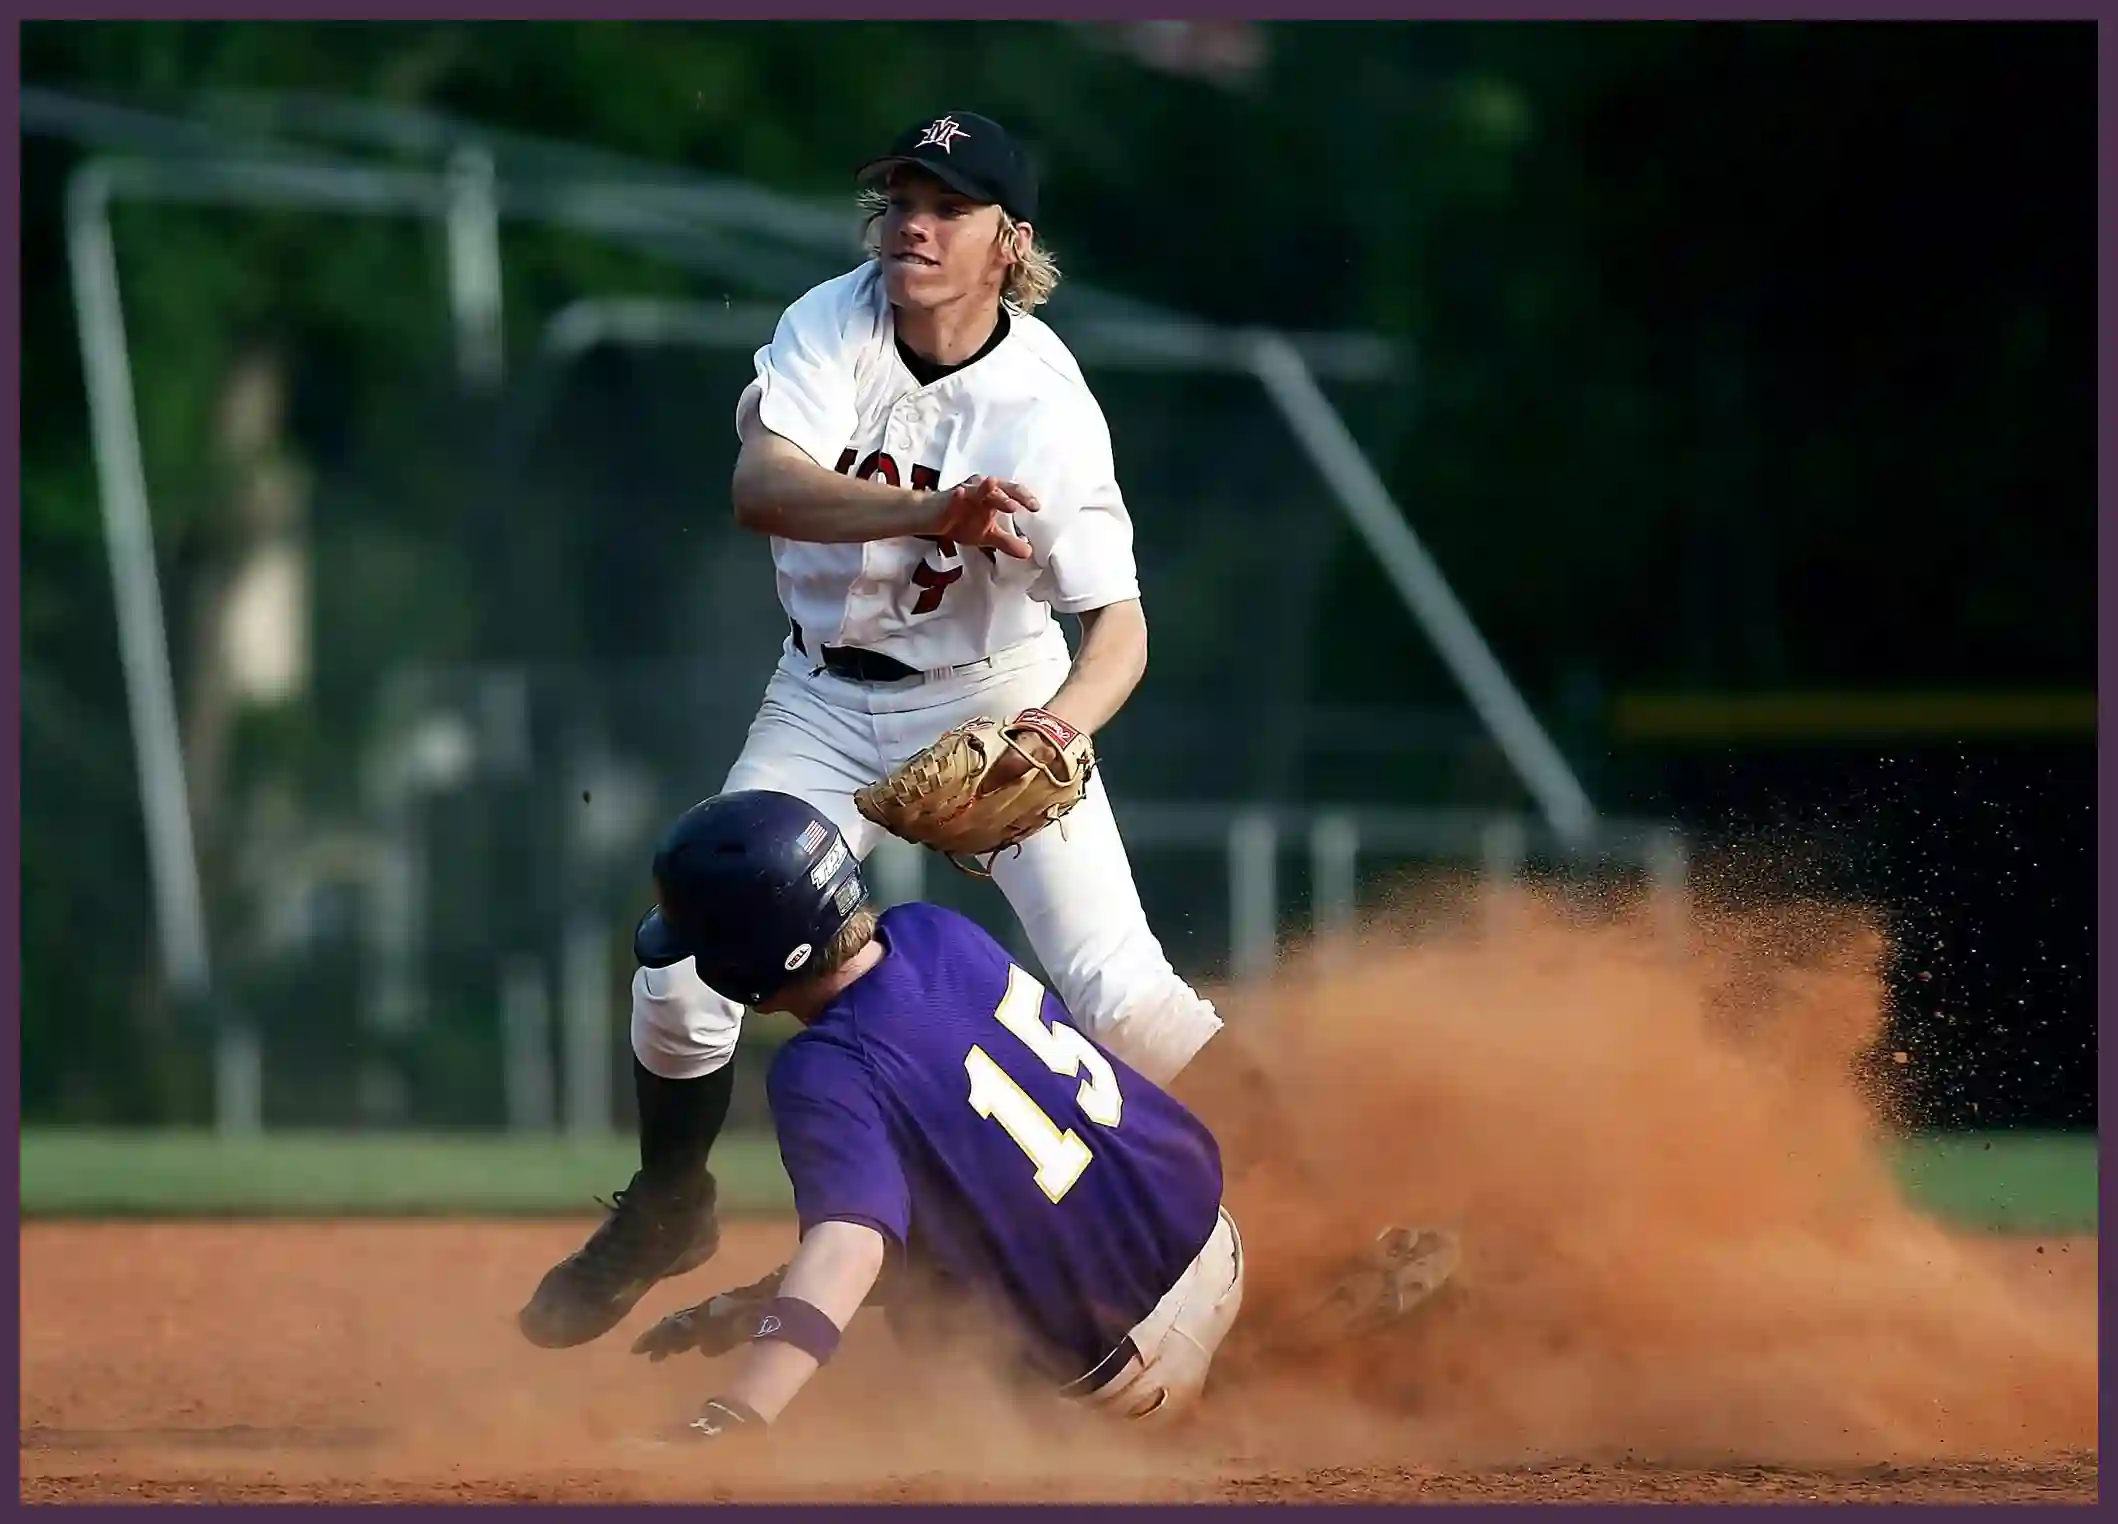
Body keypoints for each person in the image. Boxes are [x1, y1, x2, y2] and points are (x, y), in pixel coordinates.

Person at [517, 109, 1301, 1351]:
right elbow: (760, 488)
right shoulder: (832, 321)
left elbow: (1123, 635)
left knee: (1120, 994)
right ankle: (669, 1203)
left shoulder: (1047, 402)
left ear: (1011, 242)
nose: (913, 224)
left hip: (993, 691)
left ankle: (1322, 1211)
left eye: (948, 205)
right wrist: (940, 508)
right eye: (898, 199)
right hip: (820, 702)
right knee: (680, 970)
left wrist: (1051, 736)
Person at [620, 789, 1246, 1436]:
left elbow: (850, 1247)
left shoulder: (822, 1067)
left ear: (741, 962)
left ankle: (1156, 1418)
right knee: (949, 1216)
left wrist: (739, 1412)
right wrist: (757, 1305)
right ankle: (1259, 1358)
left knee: (933, 1326)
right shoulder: (935, 932)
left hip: (1128, 1373)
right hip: (1219, 1247)